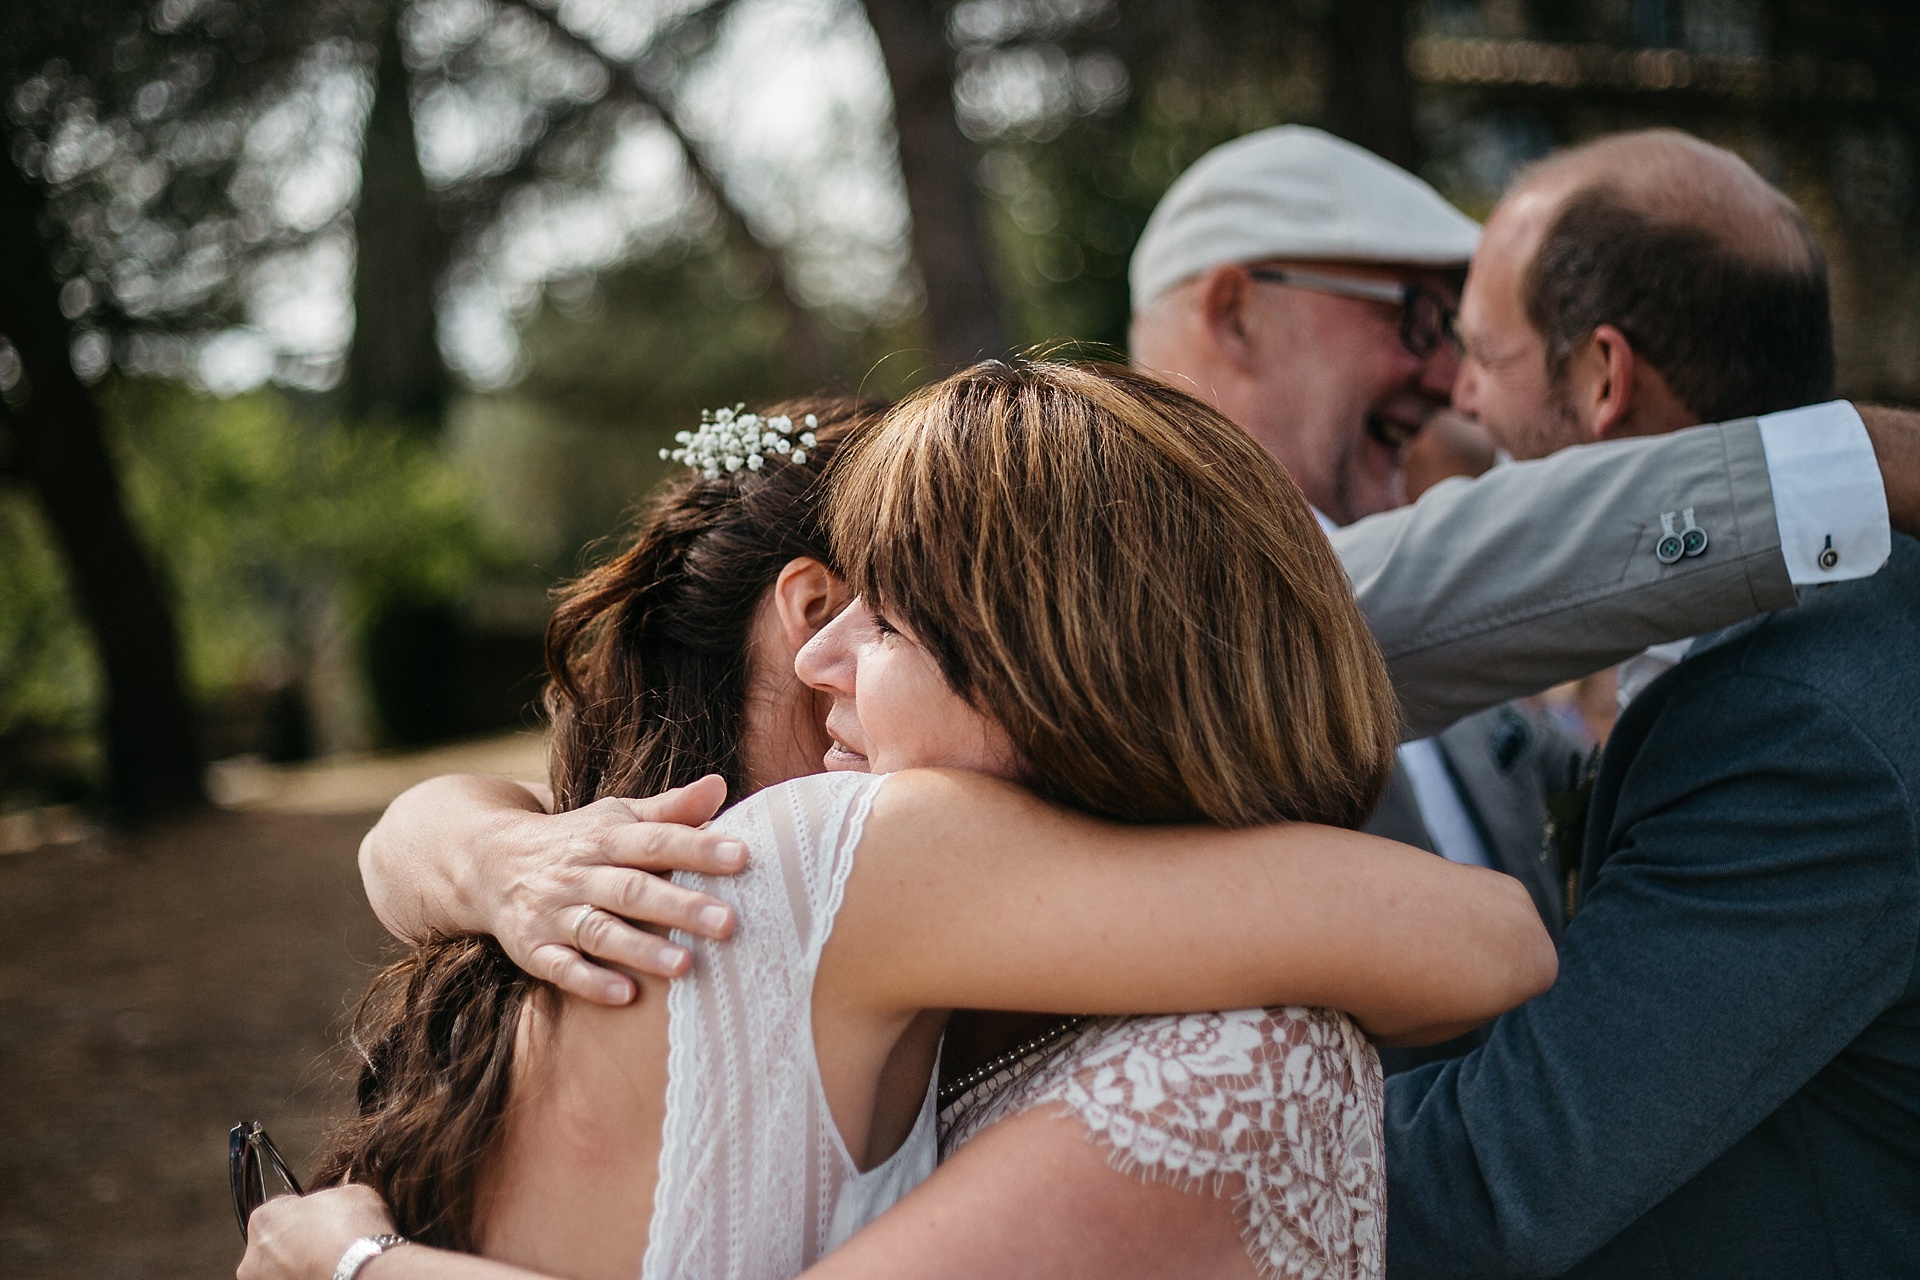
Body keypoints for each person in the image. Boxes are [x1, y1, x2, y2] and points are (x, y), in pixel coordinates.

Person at [239, 368, 1557, 1280]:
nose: (832, 666)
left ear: (1054, 662)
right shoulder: (861, 851)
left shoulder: (668, 863)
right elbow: (1491, 941)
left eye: (893, 619)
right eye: (840, 615)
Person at [1380, 128, 1920, 1279]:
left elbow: (1502, 1179)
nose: (1460, 397)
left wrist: (1141, 1142)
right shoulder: (1802, 642)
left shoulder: (1799, 715)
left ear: (1603, 376)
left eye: (1485, 352)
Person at [1125, 124, 1584, 974]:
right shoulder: (1122, 612)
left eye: (1454, 332)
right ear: (1236, 314)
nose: (1451, 382)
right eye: (1415, 319)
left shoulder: (1420, 589)